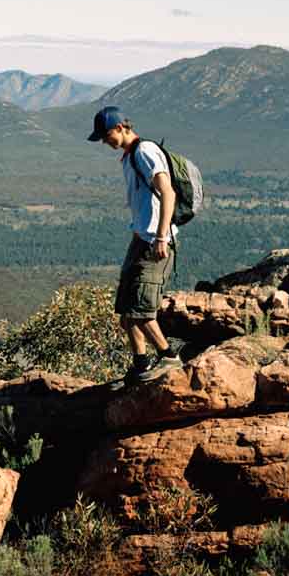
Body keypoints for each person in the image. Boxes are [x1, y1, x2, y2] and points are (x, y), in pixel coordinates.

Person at [88, 105, 182, 383]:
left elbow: (168, 192)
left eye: (106, 136)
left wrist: (162, 236)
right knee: (126, 311)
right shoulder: (130, 156)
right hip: (141, 240)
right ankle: (140, 365)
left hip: (156, 243)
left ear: (120, 128)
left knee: (140, 310)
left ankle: (169, 357)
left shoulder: (145, 152)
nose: (105, 142)